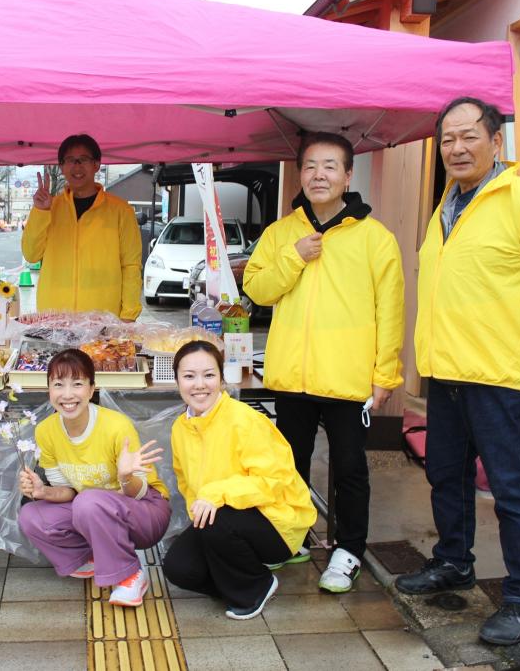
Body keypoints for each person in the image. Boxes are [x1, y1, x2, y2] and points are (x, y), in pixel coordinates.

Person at [395, 97, 520, 646]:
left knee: (511, 489)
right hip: (446, 371)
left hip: (501, 376)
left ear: (496, 142)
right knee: (446, 476)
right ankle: (453, 562)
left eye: (469, 136)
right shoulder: (448, 205)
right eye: (448, 140)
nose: (457, 148)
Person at [243, 132, 404, 594]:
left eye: (330, 166)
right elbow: (257, 290)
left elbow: (390, 312)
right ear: (300, 173)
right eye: (311, 166)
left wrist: (385, 376)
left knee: (350, 467)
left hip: (348, 378)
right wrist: (294, 258)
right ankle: (291, 537)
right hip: (291, 373)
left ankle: (349, 550)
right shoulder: (281, 233)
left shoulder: (375, 239)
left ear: (348, 175)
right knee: (289, 461)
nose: (319, 175)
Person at [162, 341, 316, 620]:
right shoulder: (180, 428)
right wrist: (204, 506)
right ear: (177, 381)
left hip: (277, 522)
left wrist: (216, 495)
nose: (199, 385)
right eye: (189, 376)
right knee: (178, 567)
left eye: (209, 375)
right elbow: (186, 483)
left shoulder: (245, 421)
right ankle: (238, 577)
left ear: (221, 379)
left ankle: (256, 586)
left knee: (215, 520)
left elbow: (274, 480)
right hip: (225, 519)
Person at [18, 349, 170, 608]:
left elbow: (141, 491)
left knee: (89, 502)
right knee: (31, 515)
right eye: (58, 384)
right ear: (49, 391)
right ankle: (88, 559)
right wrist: (43, 492)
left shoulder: (116, 427)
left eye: (77, 384)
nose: (67, 394)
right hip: (93, 508)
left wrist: (124, 477)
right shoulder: (46, 431)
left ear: (91, 389)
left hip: (146, 510)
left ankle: (130, 574)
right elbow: (69, 492)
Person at [22, 134, 142, 320]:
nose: (77, 166)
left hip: (102, 319)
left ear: (96, 164)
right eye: (70, 160)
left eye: (83, 159)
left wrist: (129, 314)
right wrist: (40, 212)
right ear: (61, 167)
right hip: (54, 319)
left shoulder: (121, 210)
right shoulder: (50, 207)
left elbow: (131, 266)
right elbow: (31, 254)